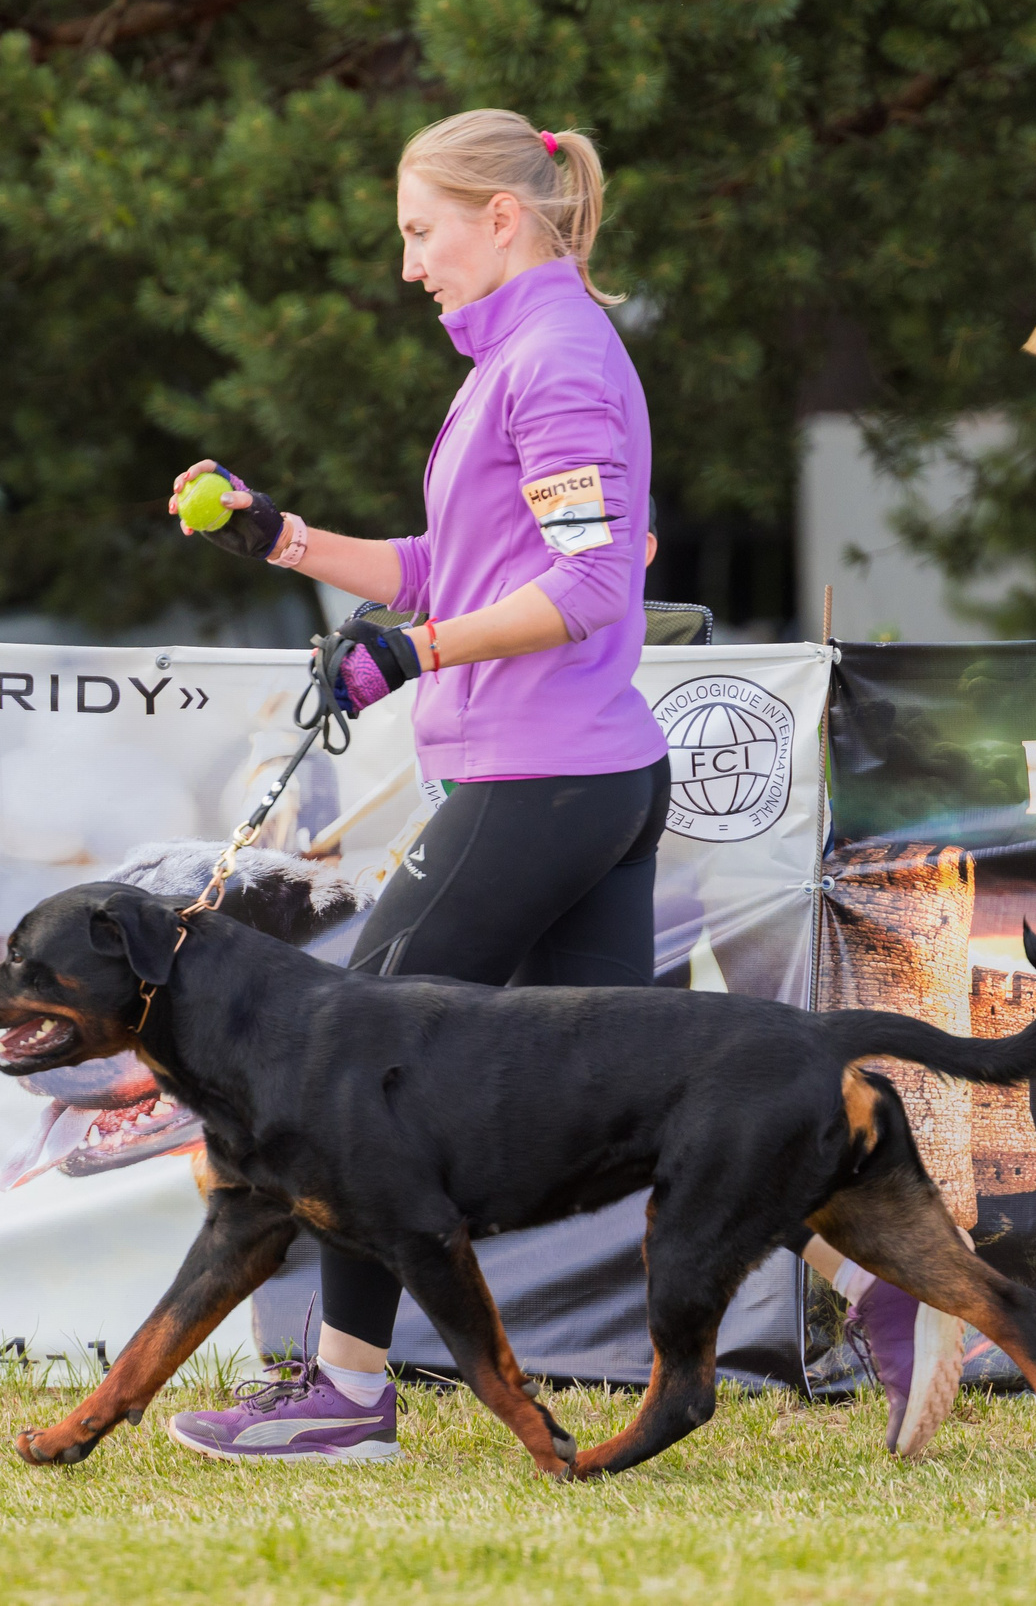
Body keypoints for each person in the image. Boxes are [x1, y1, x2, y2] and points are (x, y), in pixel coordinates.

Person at [158, 108, 939, 1463]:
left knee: (346, 1065)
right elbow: (440, 572)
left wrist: (420, 655)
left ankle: (348, 1395)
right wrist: (279, 533)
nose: (408, 266)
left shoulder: (560, 358)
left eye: (420, 231)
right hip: (582, 773)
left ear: (501, 217)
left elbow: (584, 586)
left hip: (550, 776)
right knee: (672, 1098)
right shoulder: (515, 356)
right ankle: (896, 1290)